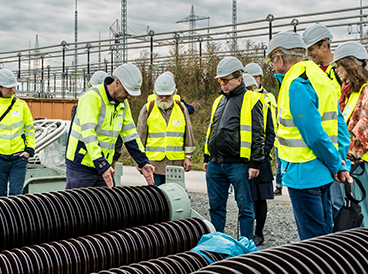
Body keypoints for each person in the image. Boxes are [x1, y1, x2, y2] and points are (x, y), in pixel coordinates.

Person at [265, 31, 353, 240]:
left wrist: (336, 165)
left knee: (312, 243)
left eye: (271, 61)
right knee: (325, 235)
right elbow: (339, 128)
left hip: (303, 174)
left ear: (280, 58)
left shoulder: (296, 83)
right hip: (322, 173)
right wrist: (339, 163)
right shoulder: (320, 77)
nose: (272, 67)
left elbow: (314, 135)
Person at [203, 56, 265, 241]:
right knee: (216, 207)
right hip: (215, 164)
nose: (222, 84)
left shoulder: (252, 99)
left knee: (245, 207)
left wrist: (255, 162)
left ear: (239, 79)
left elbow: (258, 134)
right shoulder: (218, 101)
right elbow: (211, 130)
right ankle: (218, 244)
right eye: (220, 80)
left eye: (226, 79)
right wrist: (207, 157)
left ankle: (246, 245)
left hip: (239, 164)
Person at [66, 63, 155, 189]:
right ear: (117, 83)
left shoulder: (122, 104)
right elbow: (89, 134)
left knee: (106, 207)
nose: (129, 96)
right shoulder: (92, 97)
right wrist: (101, 164)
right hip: (82, 166)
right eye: (127, 92)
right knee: (77, 206)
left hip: (104, 166)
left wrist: (143, 161)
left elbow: (130, 135)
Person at [303, 24, 344, 219]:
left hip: (339, 146)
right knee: (328, 202)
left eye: (312, 49)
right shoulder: (311, 74)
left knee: (341, 202)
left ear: (325, 46)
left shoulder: (340, 73)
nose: (309, 54)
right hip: (321, 148)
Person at [137, 73, 195, 186]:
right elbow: (140, 137)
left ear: (174, 93)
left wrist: (188, 157)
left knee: (175, 196)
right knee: (156, 197)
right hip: (154, 164)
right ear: (155, 93)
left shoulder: (182, 109)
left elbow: (188, 134)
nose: (164, 98)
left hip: (176, 163)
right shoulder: (147, 109)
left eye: (167, 96)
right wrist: (140, 160)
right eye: (160, 95)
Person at [333, 41, 368, 227]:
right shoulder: (351, 93)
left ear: (351, 65)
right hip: (353, 164)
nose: (337, 70)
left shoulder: (366, 91)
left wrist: (347, 157)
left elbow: (364, 131)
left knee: (364, 216)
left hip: (361, 165)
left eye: (339, 65)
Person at [244, 71, 276, 246]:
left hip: (261, 161)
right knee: (245, 198)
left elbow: (270, 132)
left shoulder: (264, 104)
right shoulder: (238, 104)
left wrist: (263, 153)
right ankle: (247, 233)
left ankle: (259, 233)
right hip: (243, 159)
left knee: (260, 199)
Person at [245, 63, 281, 196]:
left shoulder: (267, 97)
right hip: (246, 151)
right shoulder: (241, 97)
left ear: (259, 78)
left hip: (262, 149)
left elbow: (271, 128)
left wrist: (264, 151)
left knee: (260, 195)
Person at [0, 69, 35, 196]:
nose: (12, 90)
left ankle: (14, 217)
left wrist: (29, 150)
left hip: (18, 158)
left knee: (16, 196)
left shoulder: (21, 105)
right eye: (8, 87)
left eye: (13, 87)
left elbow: (29, 129)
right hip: (0, 158)